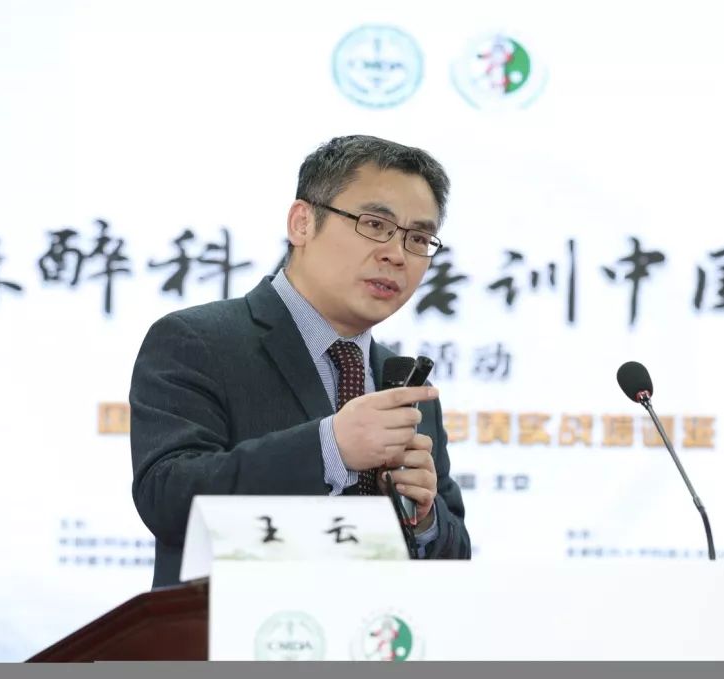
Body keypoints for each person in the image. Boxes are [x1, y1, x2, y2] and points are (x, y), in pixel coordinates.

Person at [129, 135, 472, 587]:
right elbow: (167, 499)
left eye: (419, 238)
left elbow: (455, 558)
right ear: (302, 223)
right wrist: (330, 448)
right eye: (374, 224)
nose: (396, 254)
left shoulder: (406, 387)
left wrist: (425, 518)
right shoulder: (197, 340)